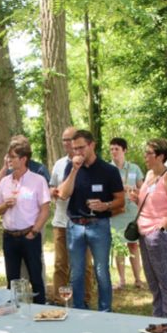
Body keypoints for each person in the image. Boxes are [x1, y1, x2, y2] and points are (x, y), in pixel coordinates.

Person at [58, 129, 124, 312]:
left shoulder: (108, 170)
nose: (77, 152)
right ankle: (78, 309)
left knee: (101, 272)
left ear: (92, 145)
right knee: (76, 273)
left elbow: (121, 200)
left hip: (99, 225)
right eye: (74, 149)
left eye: (81, 148)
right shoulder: (70, 167)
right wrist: (74, 170)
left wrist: (106, 205)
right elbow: (63, 195)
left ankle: (105, 312)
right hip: (75, 226)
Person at [0, 139, 51, 303]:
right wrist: (5, 205)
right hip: (9, 237)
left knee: (35, 278)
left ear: (24, 159)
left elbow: (45, 210)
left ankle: (41, 310)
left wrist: (34, 231)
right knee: (12, 280)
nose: (9, 160)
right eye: (9, 157)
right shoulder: (4, 181)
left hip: (29, 235)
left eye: (12, 157)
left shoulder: (38, 180)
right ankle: (14, 312)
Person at [133, 138, 167, 319]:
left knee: (166, 279)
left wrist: (161, 230)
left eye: (149, 153)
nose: (145, 156)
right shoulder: (148, 175)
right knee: (152, 280)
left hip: (161, 233)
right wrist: (135, 198)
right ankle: (157, 319)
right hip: (144, 232)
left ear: (161, 156)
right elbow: (148, 201)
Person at [49, 127, 94, 306]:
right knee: (60, 263)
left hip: (83, 222)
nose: (67, 143)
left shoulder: (90, 163)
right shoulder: (60, 164)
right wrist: (52, 190)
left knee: (84, 265)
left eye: (71, 140)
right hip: (61, 220)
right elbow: (52, 186)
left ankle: (84, 299)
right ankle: (59, 300)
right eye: (64, 140)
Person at [109, 137, 144, 290]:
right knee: (119, 246)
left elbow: (142, 189)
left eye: (116, 149)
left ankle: (138, 279)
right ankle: (121, 280)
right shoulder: (107, 169)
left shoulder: (134, 168)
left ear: (124, 150)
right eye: (111, 149)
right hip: (116, 212)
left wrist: (134, 190)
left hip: (132, 212)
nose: (113, 152)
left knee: (133, 245)